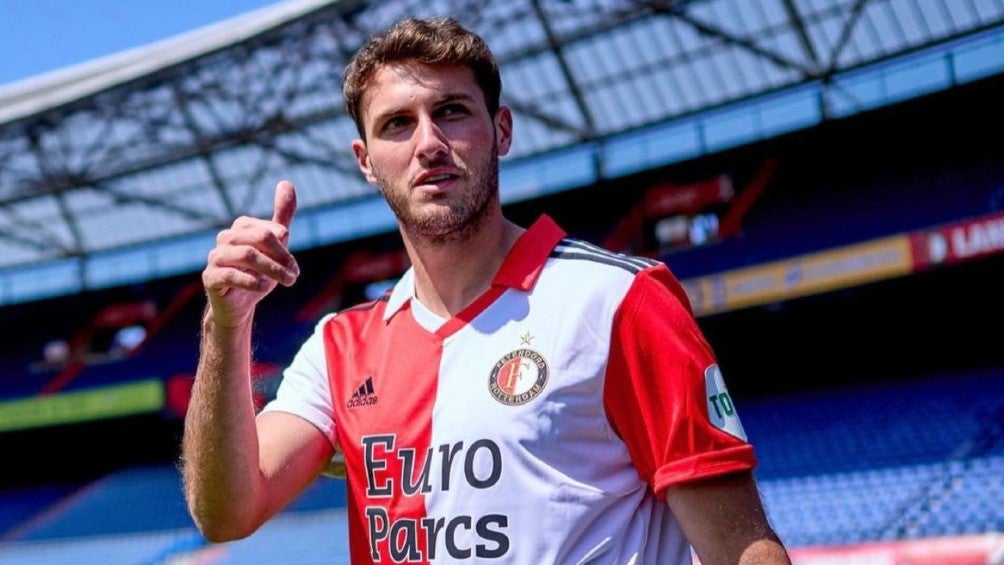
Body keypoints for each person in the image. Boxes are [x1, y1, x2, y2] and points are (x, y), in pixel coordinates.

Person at [181, 15, 791, 565]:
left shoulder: (618, 301)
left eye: (451, 111)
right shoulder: (339, 346)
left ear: (501, 130)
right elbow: (226, 512)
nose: (428, 143)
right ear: (366, 161)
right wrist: (225, 329)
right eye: (398, 124)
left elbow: (741, 551)